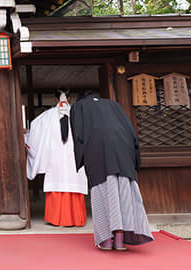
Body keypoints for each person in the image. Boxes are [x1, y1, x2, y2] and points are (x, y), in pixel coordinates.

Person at [71, 91, 152, 250]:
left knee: (102, 190)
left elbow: (78, 134)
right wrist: (135, 158)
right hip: (124, 146)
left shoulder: (79, 106)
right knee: (125, 191)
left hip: (97, 149)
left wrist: (80, 158)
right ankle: (121, 238)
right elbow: (131, 130)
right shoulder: (114, 105)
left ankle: (107, 240)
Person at [24, 90, 88, 227]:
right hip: (74, 158)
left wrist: (25, 138)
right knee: (74, 183)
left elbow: (33, 133)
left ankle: (57, 219)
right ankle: (75, 219)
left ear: (55, 99)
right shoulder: (80, 115)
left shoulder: (46, 116)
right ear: (70, 98)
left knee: (56, 183)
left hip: (54, 158)